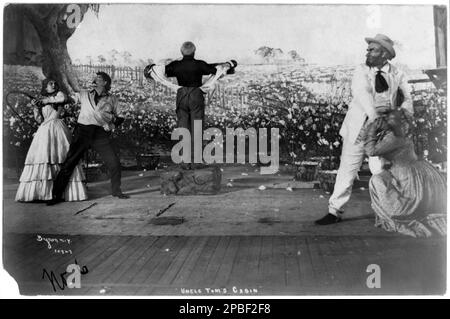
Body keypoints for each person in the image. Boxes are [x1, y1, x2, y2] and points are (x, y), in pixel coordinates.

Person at [315, 34, 413, 225]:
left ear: (384, 53)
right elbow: (362, 92)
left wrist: (406, 118)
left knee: (380, 170)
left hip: (384, 131)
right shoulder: (361, 70)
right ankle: (334, 211)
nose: (367, 52)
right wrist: (376, 116)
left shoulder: (397, 74)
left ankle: (385, 209)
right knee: (347, 169)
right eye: (368, 49)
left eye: (372, 49)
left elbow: (407, 98)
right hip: (360, 128)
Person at [145, 41, 236, 168]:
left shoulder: (175, 65)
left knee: (183, 127)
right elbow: (214, 70)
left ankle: (185, 161)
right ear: (194, 52)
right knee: (197, 127)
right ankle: (197, 161)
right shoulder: (199, 64)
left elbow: (164, 71)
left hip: (181, 94)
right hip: (196, 94)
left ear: (181, 52)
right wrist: (228, 65)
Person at [46, 72, 128, 206]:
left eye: (99, 78)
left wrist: (113, 124)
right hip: (83, 131)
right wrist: (49, 100)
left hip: (100, 134)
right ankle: (56, 195)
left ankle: (116, 191)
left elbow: (121, 116)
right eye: (95, 78)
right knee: (69, 162)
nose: (95, 80)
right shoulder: (84, 94)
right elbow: (66, 99)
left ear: (105, 82)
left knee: (114, 163)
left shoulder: (113, 98)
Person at [364, 110, 446, 237]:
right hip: (416, 173)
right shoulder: (402, 134)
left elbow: (370, 150)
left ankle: (396, 210)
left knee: (376, 181)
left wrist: (372, 130)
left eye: (389, 119)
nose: (385, 121)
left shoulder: (394, 137)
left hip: (407, 176)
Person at [15, 79, 87, 202]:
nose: (54, 85)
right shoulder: (42, 99)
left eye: (54, 83)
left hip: (58, 127)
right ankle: (44, 193)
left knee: (62, 157)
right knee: (44, 158)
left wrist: (44, 101)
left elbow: (62, 99)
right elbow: (39, 120)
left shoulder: (59, 95)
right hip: (44, 130)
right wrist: (36, 107)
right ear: (45, 87)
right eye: (50, 83)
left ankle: (61, 192)